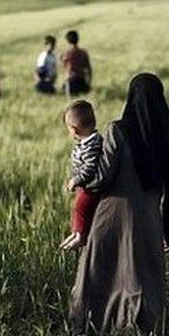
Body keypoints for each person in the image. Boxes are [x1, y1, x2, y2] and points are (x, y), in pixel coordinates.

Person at [67, 73, 169, 336]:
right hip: (148, 221)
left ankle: (90, 333)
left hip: (109, 218)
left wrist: (79, 178)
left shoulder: (118, 130)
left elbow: (103, 178)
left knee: (100, 276)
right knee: (142, 280)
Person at [60, 100, 103, 250]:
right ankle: (76, 232)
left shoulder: (93, 145)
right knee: (77, 207)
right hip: (84, 185)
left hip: (91, 186)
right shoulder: (85, 142)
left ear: (75, 130)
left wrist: (75, 180)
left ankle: (81, 235)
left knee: (81, 206)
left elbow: (90, 168)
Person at [61, 30, 92, 97]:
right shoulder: (84, 53)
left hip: (71, 83)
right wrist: (88, 84)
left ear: (68, 41)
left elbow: (65, 69)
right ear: (78, 39)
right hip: (82, 82)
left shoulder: (67, 54)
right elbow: (89, 69)